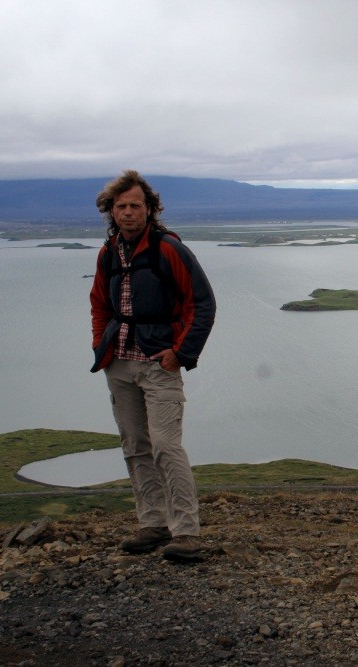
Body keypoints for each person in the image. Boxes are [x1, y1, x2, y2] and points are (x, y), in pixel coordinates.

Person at [89, 170, 216, 562]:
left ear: (150, 209)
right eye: (120, 206)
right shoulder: (109, 253)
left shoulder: (169, 249)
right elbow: (99, 304)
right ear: (111, 211)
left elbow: (203, 304)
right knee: (135, 446)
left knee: (165, 445)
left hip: (159, 363)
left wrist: (180, 354)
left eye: (135, 206)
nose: (127, 212)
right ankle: (153, 524)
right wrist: (101, 345)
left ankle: (186, 532)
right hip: (120, 362)